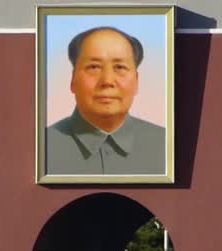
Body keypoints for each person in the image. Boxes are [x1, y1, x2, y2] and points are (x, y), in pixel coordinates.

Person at [46, 26, 165, 175]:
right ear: (73, 80)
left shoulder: (165, 145)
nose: (107, 81)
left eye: (120, 67)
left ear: (136, 81)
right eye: (94, 67)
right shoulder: (42, 146)